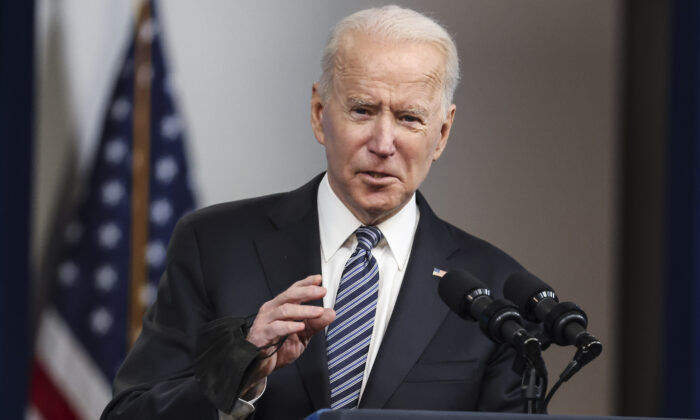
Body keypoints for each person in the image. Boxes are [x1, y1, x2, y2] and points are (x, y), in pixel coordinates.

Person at [102, 5, 532, 420]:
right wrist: (238, 377)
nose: (383, 143)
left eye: (409, 118)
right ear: (319, 112)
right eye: (362, 110)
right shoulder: (213, 246)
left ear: (441, 134)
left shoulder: (494, 292)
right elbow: (128, 414)